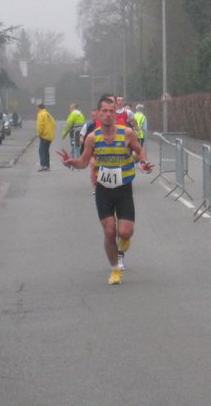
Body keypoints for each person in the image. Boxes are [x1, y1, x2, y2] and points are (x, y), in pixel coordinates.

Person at [58, 96, 153, 285]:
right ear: (99, 114)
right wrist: (71, 163)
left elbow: (139, 150)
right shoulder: (93, 138)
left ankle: (124, 243)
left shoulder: (127, 133)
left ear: (115, 113)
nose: (108, 114)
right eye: (105, 111)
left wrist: (143, 163)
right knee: (110, 232)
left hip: (124, 188)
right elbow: (84, 162)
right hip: (103, 190)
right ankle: (115, 269)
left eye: (111, 111)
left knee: (125, 232)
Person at [36, 102, 56, 171]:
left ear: (39, 108)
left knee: (41, 150)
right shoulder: (48, 114)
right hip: (50, 136)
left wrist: (39, 134)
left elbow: (40, 125)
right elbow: (53, 123)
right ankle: (47, 166)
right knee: (46, 151)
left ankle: (43, 165)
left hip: (44, 135)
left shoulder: (41, 114)